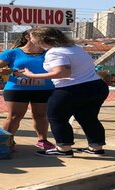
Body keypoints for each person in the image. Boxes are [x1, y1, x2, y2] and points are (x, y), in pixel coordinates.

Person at [20, 27, 109, 158]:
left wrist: (32, 75)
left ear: (42, 39)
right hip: (96, 86)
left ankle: (63, 148)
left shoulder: (54, 52)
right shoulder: (75, 47)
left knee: (56, 117)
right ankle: (96, 147)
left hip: (72, 88)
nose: (31, 40)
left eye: (33, 37)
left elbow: (63, 73)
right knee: (88, 118)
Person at [0, 30, 55, 150]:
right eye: (41, 36)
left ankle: (42, 140)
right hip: (17, 89)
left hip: (44, 88)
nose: (45, 39)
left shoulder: (49, 53)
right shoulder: (12, 53)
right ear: (28, 37)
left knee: (41, 115)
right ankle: (7, 142)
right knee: (14, 116)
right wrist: (2, 71)